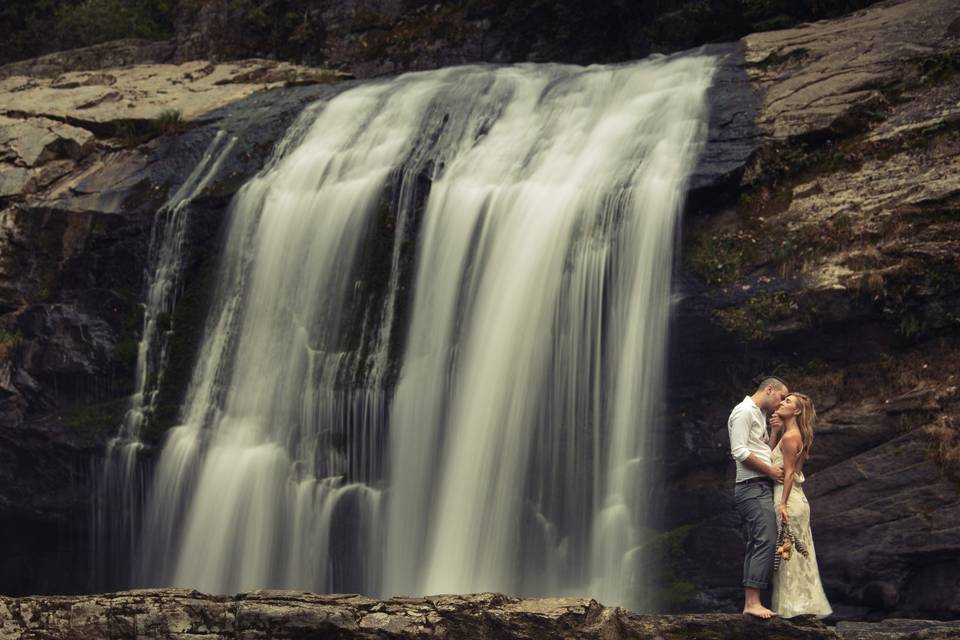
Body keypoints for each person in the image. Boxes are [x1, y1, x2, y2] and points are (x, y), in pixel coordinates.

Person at [728, 376, 788, 618]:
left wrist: (774, 432)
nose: (781, 403)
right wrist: (771, 471)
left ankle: (752, 601)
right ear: (770, 390)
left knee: (759, 540)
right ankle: (752, 603)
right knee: (766, 539)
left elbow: (764, 451)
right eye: (782, 397)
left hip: (760, 485)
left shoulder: (758, 414)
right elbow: (739, 451)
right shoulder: (743, 411)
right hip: (751, 487)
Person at [768, 393, 832, 618]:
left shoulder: (790, 437)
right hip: (797, 498)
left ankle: (793, 608)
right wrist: (775, 431)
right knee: (797, 552)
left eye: (787, 402)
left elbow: (787, 474)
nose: (781, 403)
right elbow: (772, 457)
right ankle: (802, 606)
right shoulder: (794, 434)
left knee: (788, 553)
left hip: (788, 499)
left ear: (796, 412)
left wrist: (783, 504)